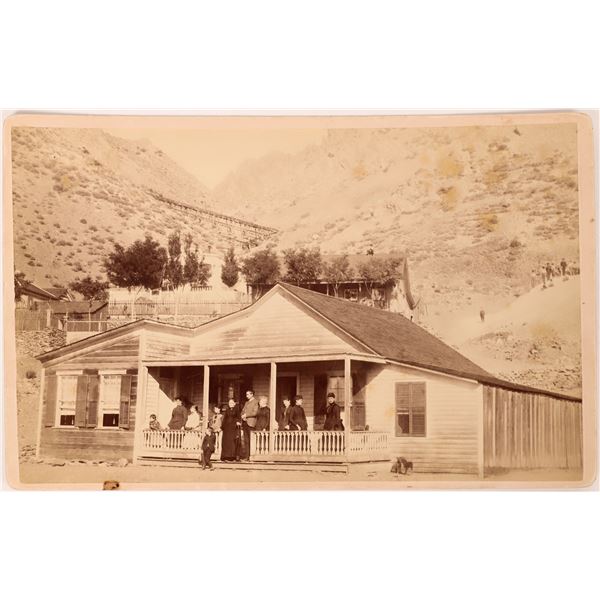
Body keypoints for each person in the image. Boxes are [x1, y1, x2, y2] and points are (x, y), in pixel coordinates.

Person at [240, 389, 259, 460]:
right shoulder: (246, 403)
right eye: (246, 394)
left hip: (251, 423)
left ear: (252, 394)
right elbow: (242, 411)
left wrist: (246, 415)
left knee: (251, 440)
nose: (246, 396)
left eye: (248, 394)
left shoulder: (256, 402)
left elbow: (255, 412)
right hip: (245, 422)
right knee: (246, 440)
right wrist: (243, 416)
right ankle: (246, 456)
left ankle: (251, 456)